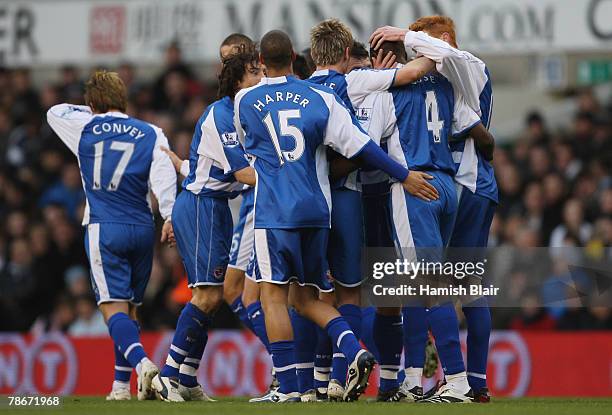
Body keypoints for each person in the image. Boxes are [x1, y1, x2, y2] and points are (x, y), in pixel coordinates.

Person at [234, 29, 428, 402]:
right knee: (311, 298)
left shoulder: (245, 100)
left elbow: (248, 150)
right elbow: (361, 146)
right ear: (294, 56)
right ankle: (353, 351)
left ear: (260, 61)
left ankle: (289, 388)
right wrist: (403, 175)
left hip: (274, 211)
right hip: (318, 209)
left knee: (275, 298)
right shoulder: (320, 98)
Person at [306, 18, 438, 400]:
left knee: (313, 296)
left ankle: (316, 380)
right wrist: (435, 45)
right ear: (348, 56)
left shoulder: (301, 91)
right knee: (373, 290)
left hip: (311, 204)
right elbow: (365, 149)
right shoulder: (356, 82)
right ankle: (401, 374)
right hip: (362, 197)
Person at [371, 15, 497, 403]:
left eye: (420, 42)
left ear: (440, 41)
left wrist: (381, 77)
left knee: (446, 286)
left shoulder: (464, 66)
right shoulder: (444, 84)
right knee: (419, 282)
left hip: (448, 184)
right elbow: (477, 133)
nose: (414, 49)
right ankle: (416, 378)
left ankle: (463, 381)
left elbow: (365, 143)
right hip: (451, 183)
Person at [47, 70, 177, 401]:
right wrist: (171, 216)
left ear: (93, 102)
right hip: (142, 227)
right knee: (131, 308)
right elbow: (163, 176)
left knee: (111, 309)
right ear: (124, 99)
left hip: (105, 226)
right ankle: (121, 387)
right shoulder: (151, 132)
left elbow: (55, 111)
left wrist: (92, 111)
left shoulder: (85, 126)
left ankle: (144, 366)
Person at [152, 52, 262, 402]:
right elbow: (243, 174)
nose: (261, 77)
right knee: (208, 295)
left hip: (212, 206)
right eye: (254, 72)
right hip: (202, 207)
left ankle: (185, 376)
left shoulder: (244, 113)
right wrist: (294, 177)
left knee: (213, 299)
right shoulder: (223, 116)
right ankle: (167, 374)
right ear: (237, 81)